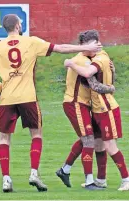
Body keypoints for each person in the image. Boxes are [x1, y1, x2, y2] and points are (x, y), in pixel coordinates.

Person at [0, 14, 102, 193]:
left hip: (7, 99)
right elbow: (61, 48)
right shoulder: (31, 42)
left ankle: (6, 179)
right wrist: (85, 47)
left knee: (5, 138)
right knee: (36, 135)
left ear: (5, 28)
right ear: (18, 26)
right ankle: (34, 173)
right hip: (28, 97)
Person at [64, 30, 129, 191]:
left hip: (107, 108)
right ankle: (101, 179)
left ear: (96, 44)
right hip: (97, 109)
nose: (84, 48)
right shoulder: (92, 58)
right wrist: (112, 78)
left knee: (109, 145)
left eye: (88, 45)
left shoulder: (100, 58)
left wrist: (70, 63)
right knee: (98, 145)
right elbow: (107, 78)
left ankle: (126, 179)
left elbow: (90, 78)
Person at [56, 30, 115, 190]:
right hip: (75, 103)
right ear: (85, 45)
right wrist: (110, 87)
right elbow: (93, 82)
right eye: (95, 44)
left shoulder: (91, 58)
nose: (98, 46)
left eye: (98, 43)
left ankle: (65, 169)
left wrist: (110, 68)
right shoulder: (81, 60)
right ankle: (89, 181)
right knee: (89, 139)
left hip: (84, 103)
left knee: (90, 138)